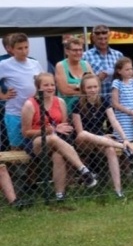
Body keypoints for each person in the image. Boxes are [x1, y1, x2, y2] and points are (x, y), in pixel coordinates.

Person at [21, 73, 98, 201]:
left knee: (58, 156)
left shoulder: (60, 102)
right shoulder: (30, 104)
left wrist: (58, 129)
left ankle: (59, 195)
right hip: (37, 142)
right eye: (46, 85)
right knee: (51, 137)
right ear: (38, 87)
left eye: (52, 84)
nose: (50, 87)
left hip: (59, 142)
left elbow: (64, 126)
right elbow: (25, 132)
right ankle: (83, 169)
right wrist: (45, 131)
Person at [73, 73, 133, 198]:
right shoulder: (77, 104)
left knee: (110, 150)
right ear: (83, 89)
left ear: (99, 87)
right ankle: (122, 147)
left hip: (100, 139)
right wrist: (118, 141)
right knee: (84, 134)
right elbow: (79, 132)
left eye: (95, 87)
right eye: (89, 87)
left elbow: (114, 121)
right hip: (83, 142)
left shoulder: (103, 101)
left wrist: (125, 138)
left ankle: (118, 190)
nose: (92, 90)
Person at [0, 33, 45, 149]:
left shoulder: (35, 63)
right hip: (15, 113)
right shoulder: (4, 65)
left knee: (35, 147)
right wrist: (2, 95)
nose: (24, 51)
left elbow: (43, 80)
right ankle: (16, 168)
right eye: (20, 48)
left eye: (26, 47)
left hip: (34, 114)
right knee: (16, 148)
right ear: (11, 49)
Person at [82, 25, 124, 97]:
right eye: (100, 39)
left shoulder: (118, 55)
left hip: (117, 99)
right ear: (94, 38)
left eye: (105, 38)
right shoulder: (85, 56)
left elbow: (125, 76)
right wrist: (97, 79)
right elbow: (82, 80)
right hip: (96, 99)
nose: (103, 41)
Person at [54, 37, 93, 114]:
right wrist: (85, 89)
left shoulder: (86, 64)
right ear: (67, 51)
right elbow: (64, 90)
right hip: (67, 110)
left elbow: (94, 84)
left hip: (86, 110)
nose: (78, 53)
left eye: (80, 50)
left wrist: (74, 86)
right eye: (75, 50)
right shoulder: (60, 65)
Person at [110, 57, 133, 143]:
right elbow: (115, 103)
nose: (130, 71)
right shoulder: (117, 83)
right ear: (119, 71)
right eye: (127, 69)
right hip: (122, 117)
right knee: (124, 139)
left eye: (131, 69)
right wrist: (131, 112)